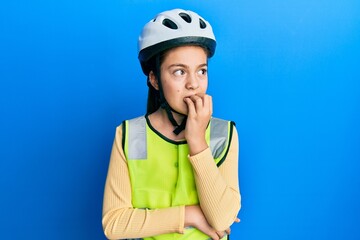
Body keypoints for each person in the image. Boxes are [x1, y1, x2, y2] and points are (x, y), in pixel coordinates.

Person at [102, 8, 241, 240]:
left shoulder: (223, 133)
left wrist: (197, 141)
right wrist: (190, 215)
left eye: (202, 71)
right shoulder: (129, 134)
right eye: (179, 72)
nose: (193, 84)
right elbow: (114, 224)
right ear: (154, 79)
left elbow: (222, 219)